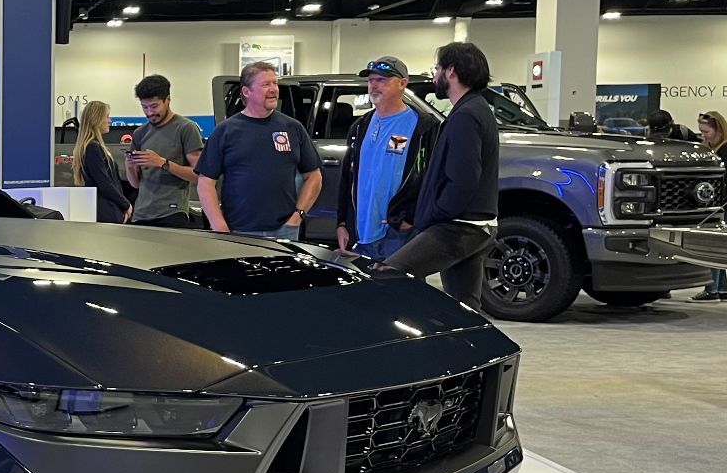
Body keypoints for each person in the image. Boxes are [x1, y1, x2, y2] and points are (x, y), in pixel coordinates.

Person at [380, 41, 501, 310]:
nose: (434, 75)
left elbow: (463, 180)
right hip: (475, 225)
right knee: (464, 308)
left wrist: (432, 214)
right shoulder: (476, 109)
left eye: (438, 69)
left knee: (389, 276)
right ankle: (471, 350)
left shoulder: (466, 116)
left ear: (452, 72)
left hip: (459, 227)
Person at [195, 62, 321, 240]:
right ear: (246, 92)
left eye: (275, 83)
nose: (273, 89)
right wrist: (218, 225)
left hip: (285, 231)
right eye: (265, 84)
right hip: (237, 230)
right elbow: (205, 182)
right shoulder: (226, 131)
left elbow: (314, 176)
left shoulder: (293, 128)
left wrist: (297, 216)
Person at [336, 56, 440, 261]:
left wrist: (410, 219)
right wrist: (342, 222)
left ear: (403, 84)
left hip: (400, 234)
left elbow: (432, 179)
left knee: (402, 292)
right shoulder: (360, 126)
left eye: (382, 80)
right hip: (362, 235)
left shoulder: (424, 127)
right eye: (371, 80)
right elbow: (348, 179)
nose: (374, 85)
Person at [122, 74, 204, 228]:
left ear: (168, 100)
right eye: (145, 107)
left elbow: (199, 175)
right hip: (141, 215)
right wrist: (130, 166)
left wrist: (163, 163)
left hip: (172, 213)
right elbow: (135, 184)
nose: (149, 112)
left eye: (154, 106)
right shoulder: (140, 133)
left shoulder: (186, 128)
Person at [692, 109, 727, 302]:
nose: (704, 136)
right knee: (722, 250)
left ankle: (712, 289)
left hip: (725, 204)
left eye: (706, 132)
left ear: (717, 129)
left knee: (713, 249)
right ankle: (722, 289)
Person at [72, 100, 133, 223]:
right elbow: (105, 184)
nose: (110, 121)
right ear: (97, 119)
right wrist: (126, 205)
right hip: (107, 213)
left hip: (109, 211)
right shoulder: (92, 148)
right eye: (107, 116)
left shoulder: (93, 147)